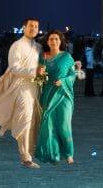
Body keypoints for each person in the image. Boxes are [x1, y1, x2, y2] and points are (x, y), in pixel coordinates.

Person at [0, 17, 44, 170]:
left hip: (35, 88)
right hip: (22, 88)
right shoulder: (17, 46)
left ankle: (31, 150)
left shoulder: (38, 47)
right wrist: (35, 72)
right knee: (25, 120)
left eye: (36, 26)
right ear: (24, 28)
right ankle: (25, 157)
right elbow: (14, 68)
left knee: (33, 121)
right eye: (30, 26)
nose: (33, 28)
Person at [34, 30, 77, 165]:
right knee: (49, 125)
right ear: (47, 42)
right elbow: (40, 81)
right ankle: (54, 154)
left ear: (60, 41)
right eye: (51, 39)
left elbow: (73, 75)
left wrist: (63, 81)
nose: (54, 41)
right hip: (48, 95)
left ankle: (69, 153)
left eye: (56, 39)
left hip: (63, 95)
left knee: (64, 125)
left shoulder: (67, 57)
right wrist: (40, 74)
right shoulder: (43, 57)